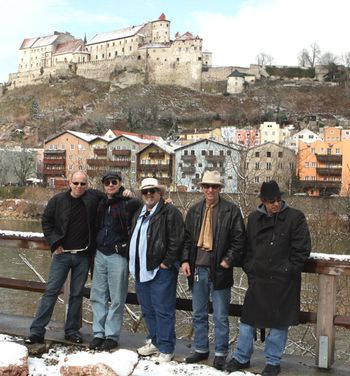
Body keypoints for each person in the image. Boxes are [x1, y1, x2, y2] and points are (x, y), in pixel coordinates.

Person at [225, 180, 311, 376]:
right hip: (258, 279)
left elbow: (302, 249)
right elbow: (247, 249)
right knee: (247, 322)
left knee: (279, 324)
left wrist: (288, 270)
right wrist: (250, 267)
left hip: (284, 281)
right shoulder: (254, 218)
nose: (276, 204)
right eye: (271, 201)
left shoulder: (295, 217)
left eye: (278, 200)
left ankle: (273, 362)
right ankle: (241, 358)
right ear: (263, 201)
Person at [25, 171, 103, 344]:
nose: (79, 187)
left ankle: (72, 331)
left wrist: (124, 192)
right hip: (62, 255)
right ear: (69, 182)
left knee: (76, 294)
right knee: (51, 292)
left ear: (87, 184)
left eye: (83, 184)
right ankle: (37, 331)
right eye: (76, 183)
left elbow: (113, 194)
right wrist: (54, 242)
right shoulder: (58, 200)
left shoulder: (94, 197)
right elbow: (46, 221)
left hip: (83, 256)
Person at [181, 170, 246, 371]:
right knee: (199, 313)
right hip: (198, 269)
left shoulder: (231, 211)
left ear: (219, 189)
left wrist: (228, 260)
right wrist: (184, 260)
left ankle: (220, 353)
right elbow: (186, 239)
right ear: (202, 188)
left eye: (214, 186)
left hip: (219, 270)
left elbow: (239, 240)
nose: (210, 190)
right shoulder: (194, 211)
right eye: (206, 186)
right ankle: (201, 349)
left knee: (220, 316)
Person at [129, 177, 185, 363]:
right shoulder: (139, 212)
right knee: (148, 309)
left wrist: (166, 263)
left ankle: (167, 347)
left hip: (161, 270)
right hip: (141, 269)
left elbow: (177, 240)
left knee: (163, 310)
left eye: (153, 191)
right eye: (145, 191)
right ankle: (154, 341)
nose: (149, 194)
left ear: (160, 193)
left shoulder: (170, 212)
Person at [89, 171, 141, 351]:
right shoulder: (101, 202)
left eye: (114, 182)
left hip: (117, 255)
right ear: (103, 185)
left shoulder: (128, 202)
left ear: (120, 183)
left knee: (117, 297)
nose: (110, 185)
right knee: (98, 295)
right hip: (100, 254)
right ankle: (98, 333)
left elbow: (146, 205)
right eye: (107, 182)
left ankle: (111, 335)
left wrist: (128, 194)